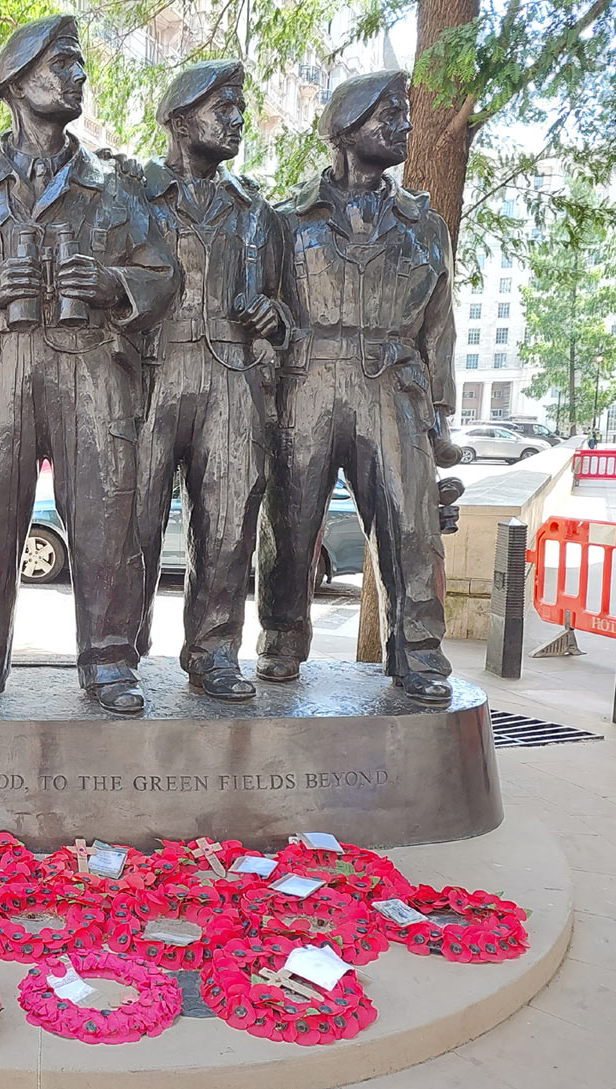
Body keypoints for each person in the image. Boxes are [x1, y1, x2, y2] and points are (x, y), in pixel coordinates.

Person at [0, 15, 178, 713]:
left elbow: (164, 276)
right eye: (64, 64)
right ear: (17, 82)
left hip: (93, 370)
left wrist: (114, 286)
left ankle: (110, 659)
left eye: (80, 64)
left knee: (105, 519)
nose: (79, 76)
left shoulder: (114, 186)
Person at [256, 70, 458, 704]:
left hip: (394, 389)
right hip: (305, 384)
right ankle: (282, 637)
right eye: (387, 114)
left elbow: (440, 329)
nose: (403, 124)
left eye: (404, 113)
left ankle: (418, 649)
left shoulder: (424, 226)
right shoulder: (286, 221)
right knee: (288, 522)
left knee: (410, 525)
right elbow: (261, 311)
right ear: (345, 130)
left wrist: (440, 419)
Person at [136, 60, 290, 701]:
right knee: (129, 521)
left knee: (229, 524)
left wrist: (274, 319)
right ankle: (115, 650)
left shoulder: (256, 212)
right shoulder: (131, 197)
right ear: (178, 119)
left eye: (239, 107)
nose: (237, 119)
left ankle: (215, 651)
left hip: (232, 379)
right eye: (222, 106)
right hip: (147, 375)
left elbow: (287, 309)